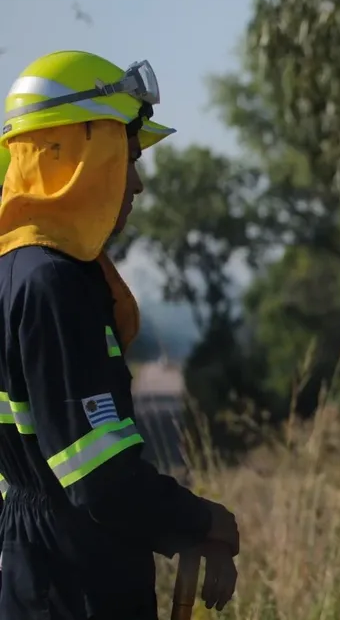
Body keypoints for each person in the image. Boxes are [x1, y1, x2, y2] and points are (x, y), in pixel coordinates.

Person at [0, 50, 240, 619]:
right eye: (126, 157)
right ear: (79, 155)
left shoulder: (17, 270)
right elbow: (99, 479)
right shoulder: (53, 285)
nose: (136, 184)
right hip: (76, 578)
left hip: (36, 565)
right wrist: (204, 521)